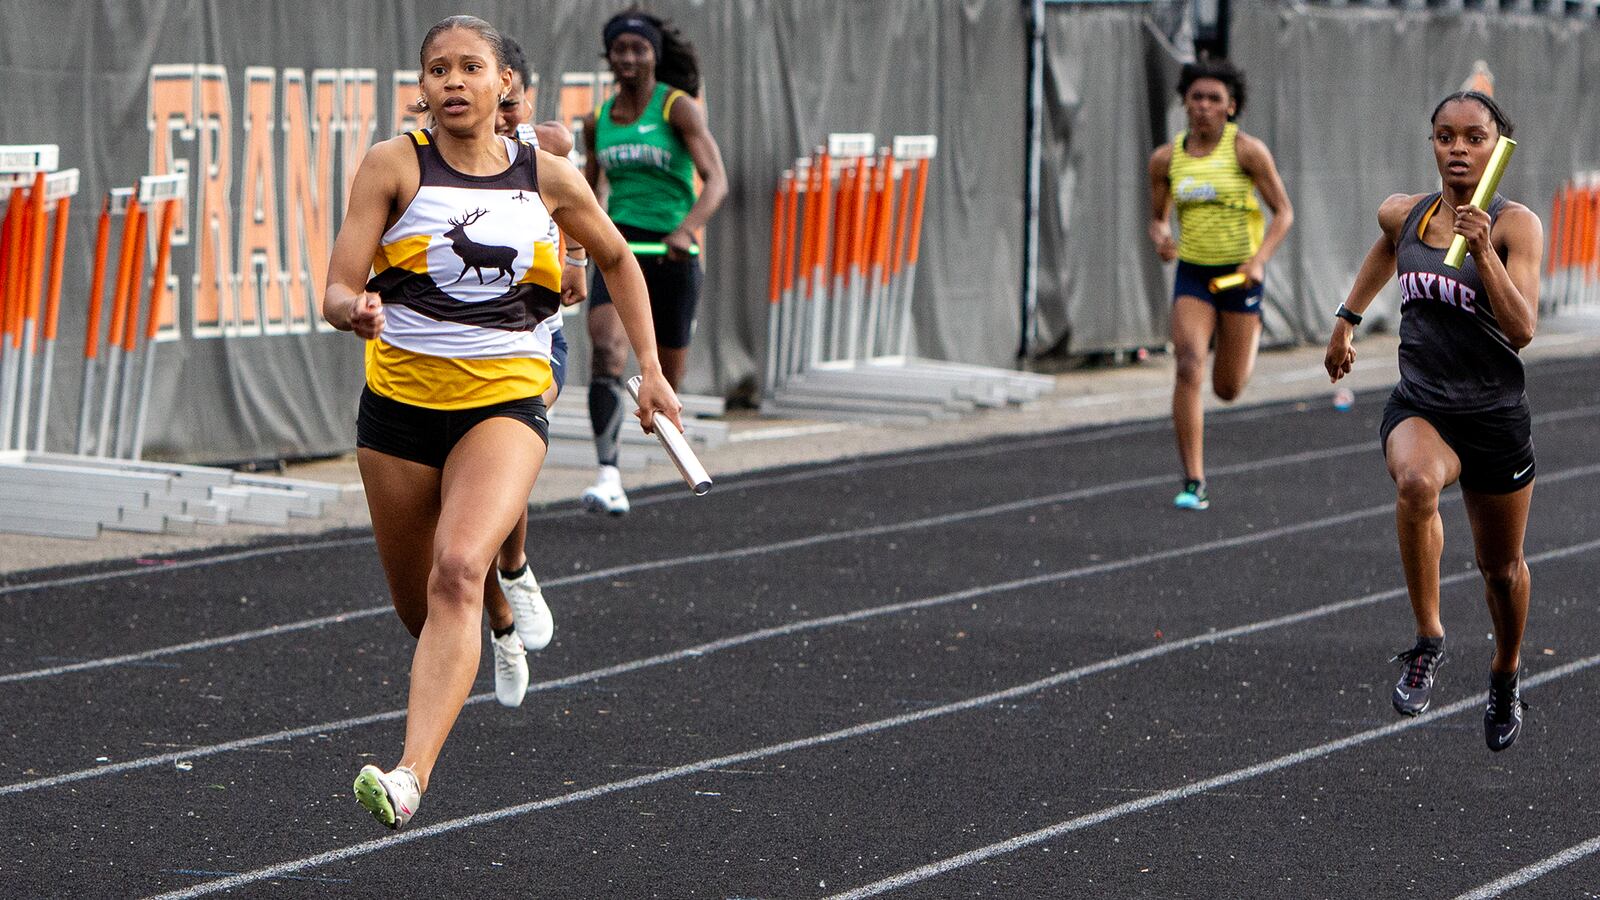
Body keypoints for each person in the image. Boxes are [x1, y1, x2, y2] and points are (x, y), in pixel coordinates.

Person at [323, 15, 681, 829]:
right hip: (399, 411)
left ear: (502, 86)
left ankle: (409, 777)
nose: (453, 81)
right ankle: (503, 610)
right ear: (422, 89)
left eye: (470, 68)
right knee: (424, 612)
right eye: (438, 70)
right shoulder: (391, 166)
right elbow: (336, 286)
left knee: (455, 568)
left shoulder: (546, 174)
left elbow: (619, 258)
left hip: (505, 400)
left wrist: (651, 372)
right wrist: (358, 309)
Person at [1323, 91, 1541, 751]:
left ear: (1496, 147)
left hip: (1495, 418)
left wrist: (1483, 252)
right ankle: (1429, 638)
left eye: (1472, 138)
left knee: (1499, 569)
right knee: (1416, 484)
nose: (1456, 149)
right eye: (1444, 137)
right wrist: (1347, 319)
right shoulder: (1405, 213)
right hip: (1423, 404)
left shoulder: (1513, 226)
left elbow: (1523, 329)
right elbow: (1385, 250)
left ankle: (1505, 671)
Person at [478, 36, 592, 701]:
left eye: (514, 103)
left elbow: (573, 204)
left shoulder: (544, 145)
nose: (506, 119)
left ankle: (516, 568)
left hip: (531, 344)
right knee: (450, 536)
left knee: (504, 454)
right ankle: (500, 626)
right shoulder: (424, 159)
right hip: (443, 358)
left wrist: (573, 254)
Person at [579, 7, 727, 515]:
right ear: (609, 57)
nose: (628, 57)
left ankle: (671, 458)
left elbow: (716, 179)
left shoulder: (677, 109)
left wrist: (685, 230)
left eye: (638, 48)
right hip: (620, 249)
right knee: (606, 351)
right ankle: (608, 474)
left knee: (665, 377)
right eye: (619, 49)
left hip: (671, 251)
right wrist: (588, 237)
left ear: (654, 56)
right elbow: (591, 189)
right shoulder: (595, 121)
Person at [1147, 59, 1293, 510]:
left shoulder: (1247, 152)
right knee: (1188, 364)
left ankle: (1251, 329)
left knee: (1227, 389)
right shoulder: (1166, 159)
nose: (1205, 107)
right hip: (1194, 273)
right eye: (1197, 98)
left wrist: (1259, 261)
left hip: (1238, 274)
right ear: (1185, 103)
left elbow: (1283, 212)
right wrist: (1162, 239)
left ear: (1231, 107)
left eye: (1215, 99)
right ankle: (1194, 480)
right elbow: (1156, 217)